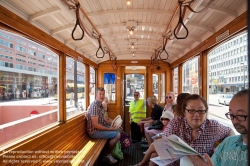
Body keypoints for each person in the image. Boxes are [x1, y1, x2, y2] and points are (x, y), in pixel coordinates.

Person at [134, 94, 235, 166]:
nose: (196, 115)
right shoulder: (176, 124)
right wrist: (193, 156)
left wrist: (225, 152)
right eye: (191, 110)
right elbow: (167, 147)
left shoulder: (213, 126)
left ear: (206, 111)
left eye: (201, 110)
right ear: (184, 111)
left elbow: (230, 132)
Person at [189, 89, 248, 166]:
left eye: (240, 115)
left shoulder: (212, 126)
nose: (235, 121)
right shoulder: (227, 143)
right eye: (231, 115)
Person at [86, 87, 120, 164]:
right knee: (117, 135)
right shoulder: (94, 106)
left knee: (117, 129)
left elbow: (105, 120)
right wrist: (110, 129)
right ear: (96, 95)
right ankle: (106, 155)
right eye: (100, 94)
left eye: (103, 94)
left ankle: (109, 152)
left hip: (99, 128)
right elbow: (95, 125)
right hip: (94, 132)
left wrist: (115, 125)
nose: (101, 96)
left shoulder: (100, 105)